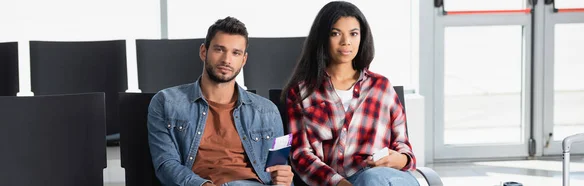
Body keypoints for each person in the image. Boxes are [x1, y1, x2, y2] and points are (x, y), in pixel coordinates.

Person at [282, 1, 420, 186]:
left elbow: (403, 145)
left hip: (387, 177)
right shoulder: (302, 93)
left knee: (371, 178)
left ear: (362, 37)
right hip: (336, 182)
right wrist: (339, 183)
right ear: (322, 37)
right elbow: (301, 155)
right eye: (336, 33)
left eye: (353, 34)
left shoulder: (381, 87)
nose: (346, 41)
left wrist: (399, 160)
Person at [147, 16, 293, 186]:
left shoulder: (267, 111)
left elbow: (280, 171)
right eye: (219, 49)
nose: (226, 60)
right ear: (204, 51)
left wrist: (284, 179)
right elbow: (166, 164)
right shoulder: (167, 103)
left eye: (235, 53)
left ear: (243, 60)